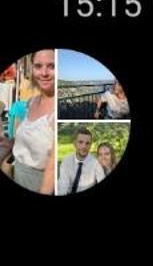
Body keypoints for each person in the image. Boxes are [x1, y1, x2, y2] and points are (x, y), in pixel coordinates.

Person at [8, 52, 55, 193]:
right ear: (32, 69)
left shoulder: (56, 112)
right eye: (38, 66)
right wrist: (9, 143)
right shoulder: (31, 102)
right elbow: (29, 143)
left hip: (38, 185)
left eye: (51, 66)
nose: (44, 73)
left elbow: (51, 168)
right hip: (17, 175)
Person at [57, 129, 104, 195]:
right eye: (80, 142)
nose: (84, 146)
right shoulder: (67, 161)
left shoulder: (96, 163)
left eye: (87, 143)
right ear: (74, 143)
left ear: (90, 145)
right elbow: (63, 186)